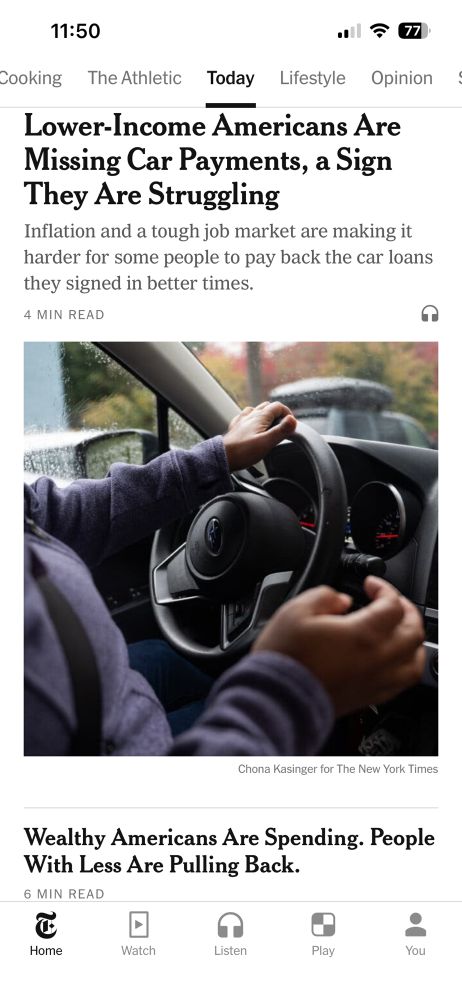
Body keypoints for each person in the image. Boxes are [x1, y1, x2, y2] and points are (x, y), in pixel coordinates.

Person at [24, 401, 425, 756]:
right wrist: (294, 692)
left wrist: (214, 458)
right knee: (328, 730)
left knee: (168, 657)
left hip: (93, 684)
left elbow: (52, 515)